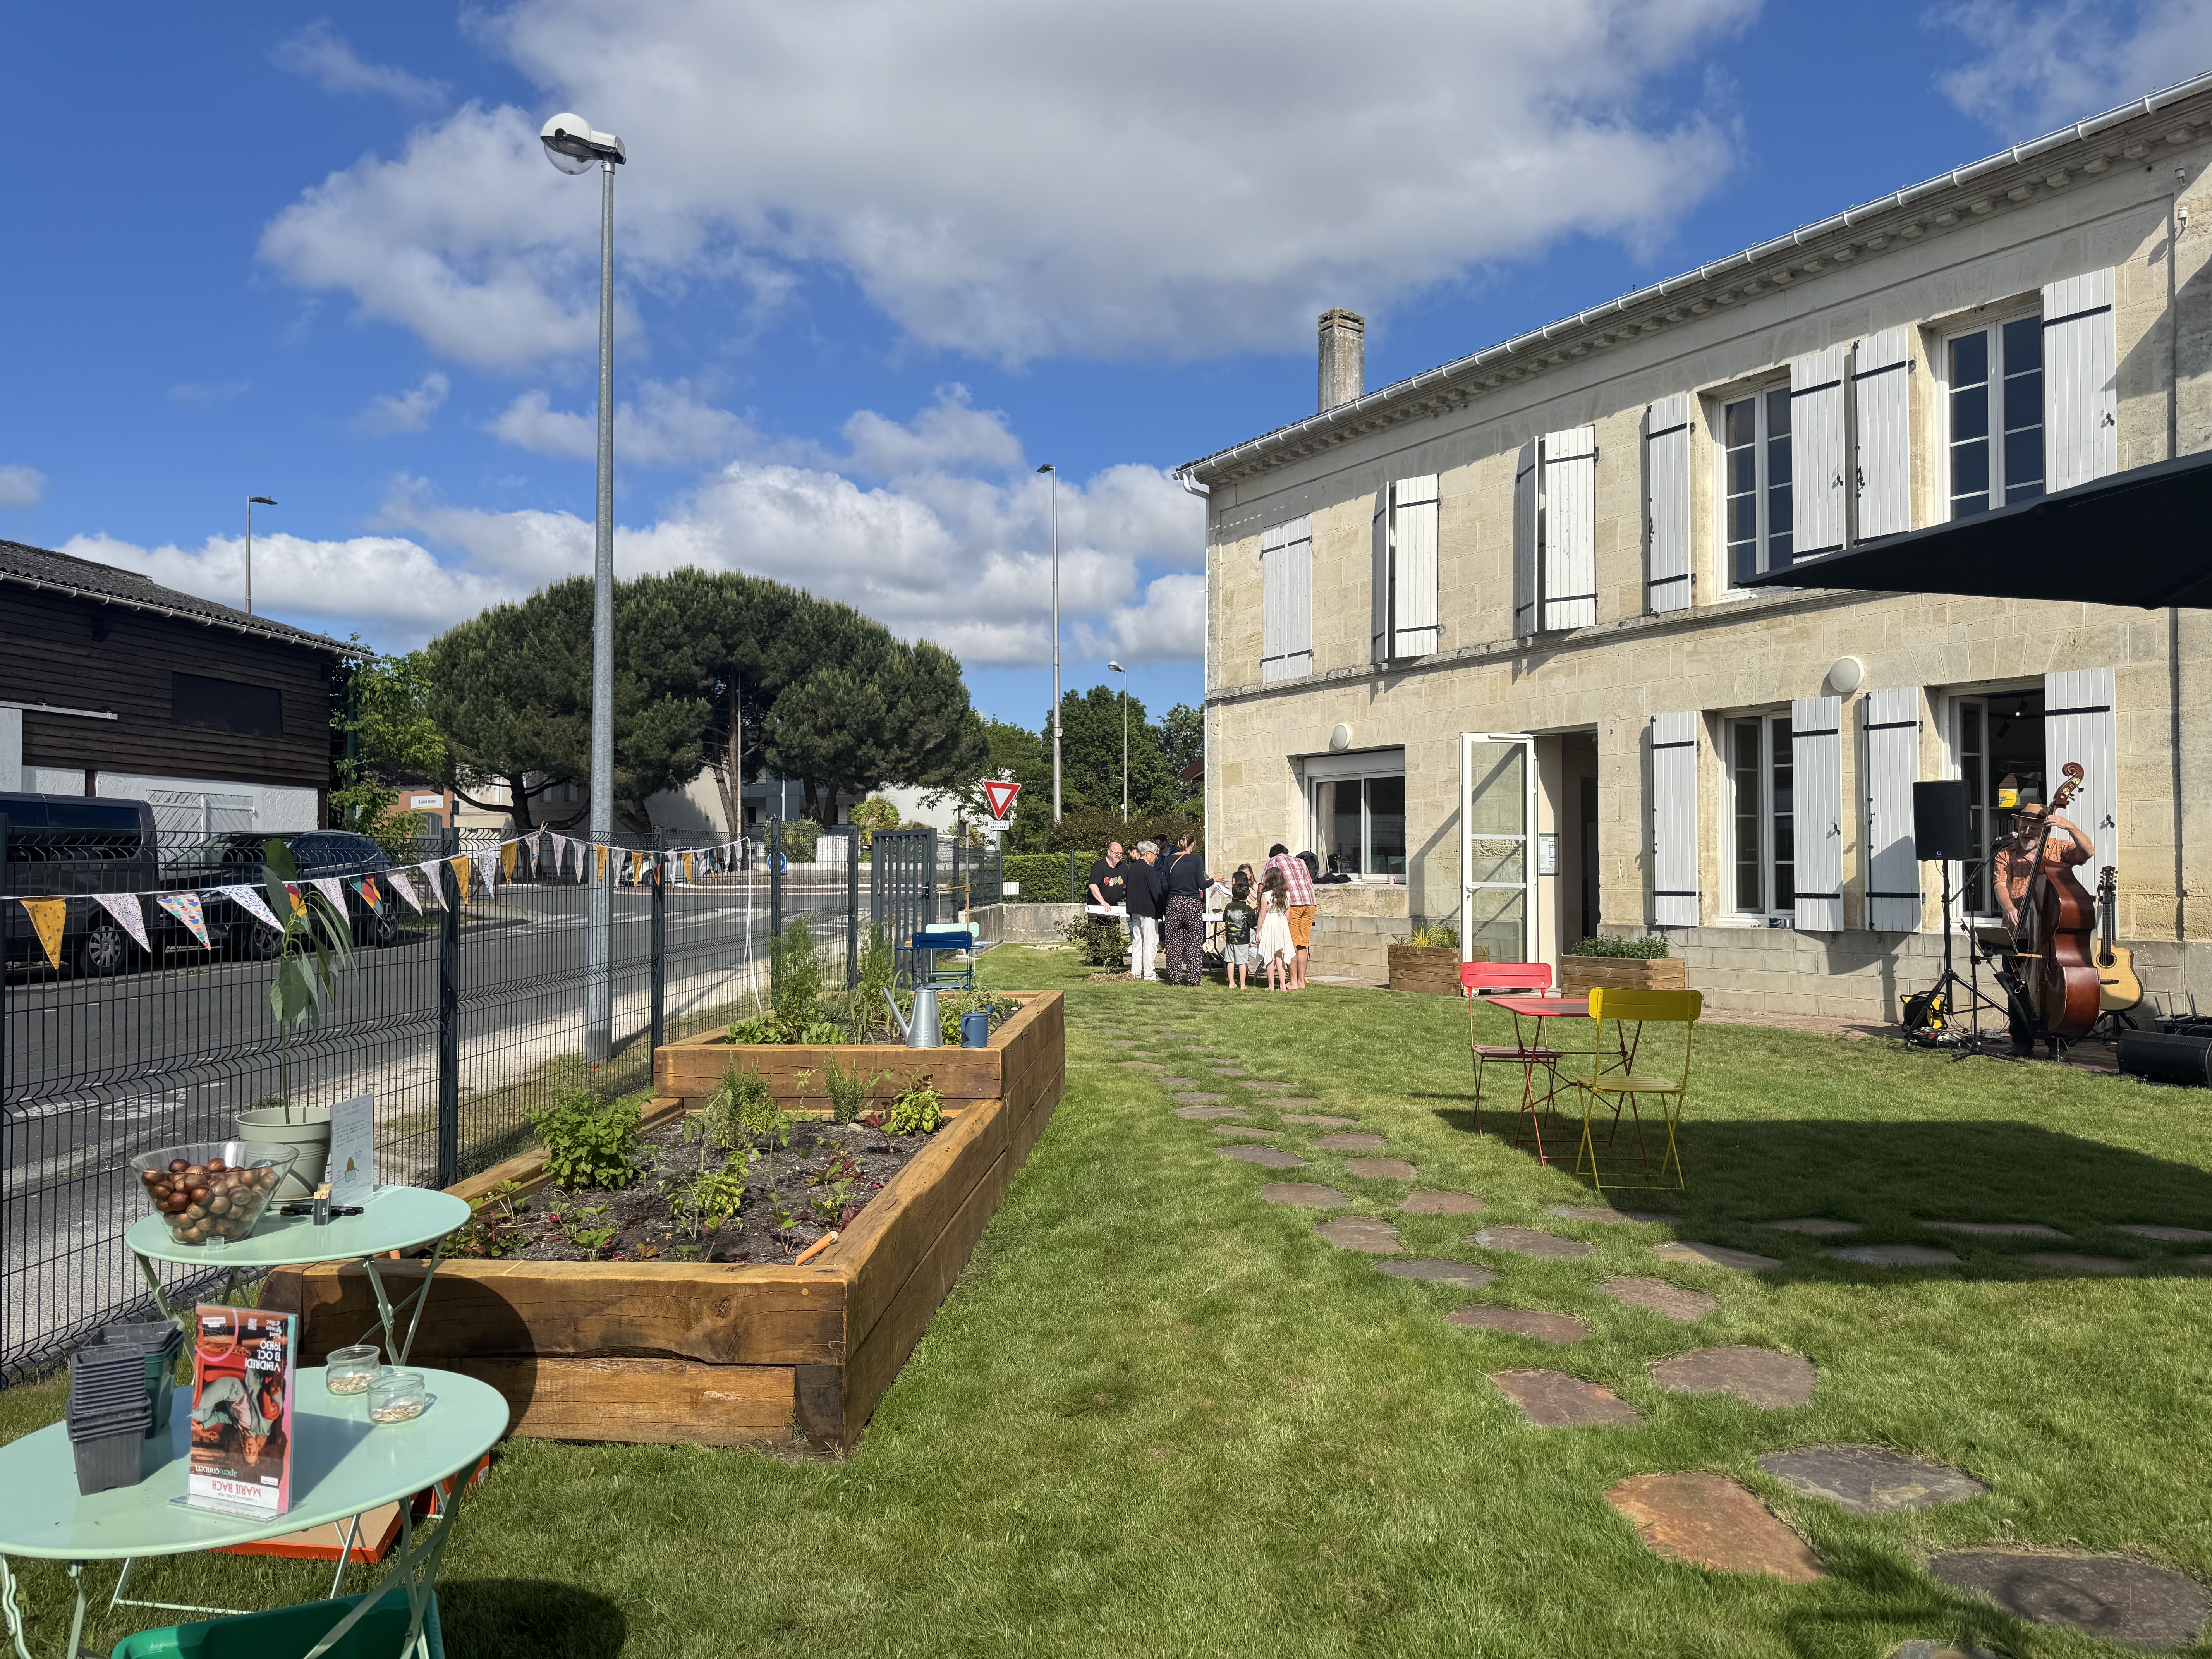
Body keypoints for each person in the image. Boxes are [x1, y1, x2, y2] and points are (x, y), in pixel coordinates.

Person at [1994, 802, 2095, 931]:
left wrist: (2071, 828)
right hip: (2017, 927)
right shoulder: (2006, 854)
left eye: (2033, 829)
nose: (2026, 832)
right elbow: (2001, 885)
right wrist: (2008, 907)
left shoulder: (2060, 848)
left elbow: (2088, 852)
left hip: (2053, 927)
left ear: (2045, 829)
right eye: (2023, 827)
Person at [1161, 831, 1212, 986]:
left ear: (1178, 842)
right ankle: (1194, 980)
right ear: (1193, 844)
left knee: (1173, 943)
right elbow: (1202, 884)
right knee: (1195, 943)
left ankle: (1175, 979)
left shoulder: (1169, 860)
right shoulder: (1197, 859)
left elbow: (1164, 885)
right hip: (1192, 903)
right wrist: (1214, 881)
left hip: (1174, 903)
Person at [1265, 843, 1317, 990]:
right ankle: (1301, 981)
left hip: (1293, 903)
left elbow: (1264, 885)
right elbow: (1309, 881)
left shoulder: (1273, 862)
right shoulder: (1300, 861)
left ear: (1273, 854)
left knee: (1291, 944)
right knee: (1303, 944)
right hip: (1310, 902)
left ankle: (1293, 981)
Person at [1124, 840, 1164, 981]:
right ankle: (1149, 974)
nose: (1156, 858)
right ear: (1147, 854)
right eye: (1155, 854)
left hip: (1134, 911)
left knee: (1137, 943)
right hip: (1148, 912)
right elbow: (1156, 893)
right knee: (1150, 944)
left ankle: (1135, 973)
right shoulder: (1149, 870)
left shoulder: (1132, 869)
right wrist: (1163, 909)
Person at [1255, 865, 1295, 990]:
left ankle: (1271, 986)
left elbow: (1262, 915)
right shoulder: (1287, 895)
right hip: (1282, 923)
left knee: (1270, 956)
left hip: (1270, 922)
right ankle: (1283, 986)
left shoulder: (1266, 895)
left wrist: (1258, 932)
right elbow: (1288, 915)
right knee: (1280, 957)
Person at [1087, 842, 1127, 962]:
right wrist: (1103, 902)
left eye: (1121, 854)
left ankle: (1116, 960)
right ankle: (1097, 960)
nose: (1119, 856)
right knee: (1096, 935)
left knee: (1114, 934)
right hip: (1097, 906)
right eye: (1116, 853)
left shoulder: (1123, 868)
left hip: (1114, 907)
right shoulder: (1099, 867)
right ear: (1109, 852)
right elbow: (1093, 886)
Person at [1221, 866, 1258, 989]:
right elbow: (1253, 924)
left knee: (1230, 961)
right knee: (1243, 962)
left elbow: (1224, 919)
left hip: (1231, 938)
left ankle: (1231, 983)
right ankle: (1243, 985)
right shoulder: (1248, 909)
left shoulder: (1229, 907)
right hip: (1243, 940)